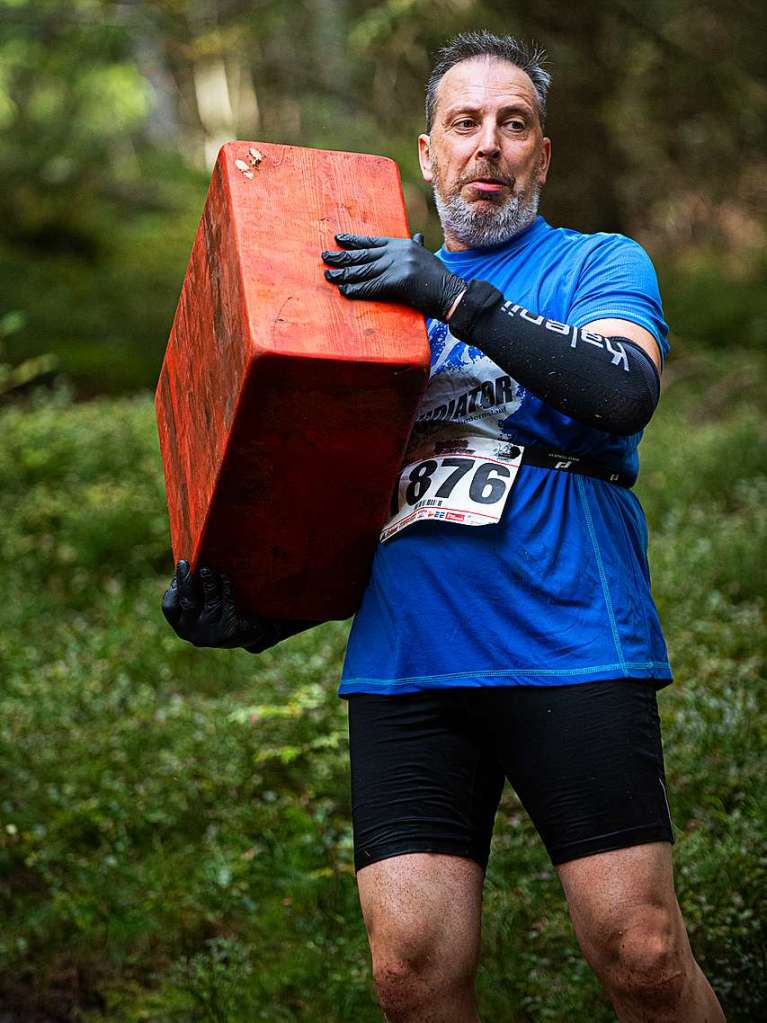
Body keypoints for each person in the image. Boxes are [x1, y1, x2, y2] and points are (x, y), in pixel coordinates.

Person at [163, 31, 725, 1023]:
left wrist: (450, 294)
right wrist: (253, 612)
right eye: (462, 123)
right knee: (409, 973)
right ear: (425, 152)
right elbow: (333, 503)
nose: (488, 145)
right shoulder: (353, 301)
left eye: (514, 124)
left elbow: (618, 389)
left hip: (569, 645)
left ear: (541, 155)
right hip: (408, 666)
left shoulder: (598, 263)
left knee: (637, 950)